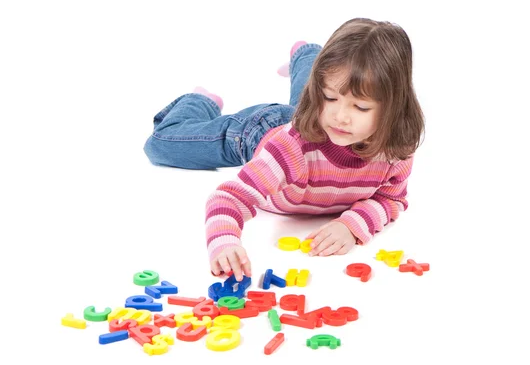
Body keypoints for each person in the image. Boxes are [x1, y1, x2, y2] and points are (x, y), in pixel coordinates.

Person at [144, 18, 425, 281]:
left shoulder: (395, 150)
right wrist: (224, 242)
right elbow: (229, 198)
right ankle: (199, 102)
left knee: (310, 102)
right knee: (161, 144)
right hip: (259, 132)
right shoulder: (289, 149)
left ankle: (306, 54)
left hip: (310, 119)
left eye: (360, 107)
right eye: (330, 97)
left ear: (393, 109)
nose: (341, 115)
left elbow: (392, 199)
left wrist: (351, 225)